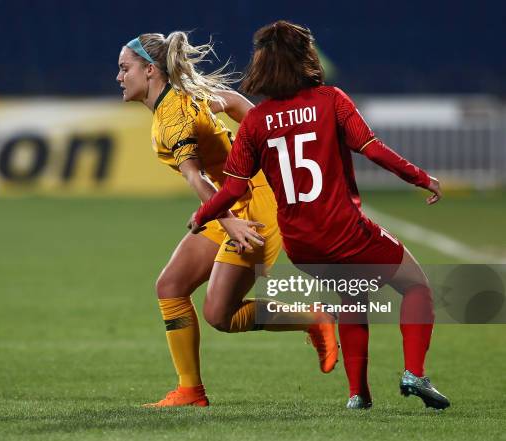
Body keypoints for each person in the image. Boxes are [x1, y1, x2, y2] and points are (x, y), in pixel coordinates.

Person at [190, 21, 450, 410]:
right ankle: (414, 373)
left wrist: (202, 214)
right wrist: (421, 177)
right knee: (417, 287)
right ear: (305, 57)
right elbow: (372, 149)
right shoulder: (331, 100)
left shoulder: (256, 122)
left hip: (302, 246)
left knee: (351, 297)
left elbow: (232, 189)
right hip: (345, 231)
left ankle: (358, 395)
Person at [116, 32, 339, 407]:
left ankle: (315, 318)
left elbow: (195, 177)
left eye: (125, 68)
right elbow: (234, 102)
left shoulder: (172, 118)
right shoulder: (182, 97)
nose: (119, 77)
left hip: (254, 207)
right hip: (229, 202)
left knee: (220, 314)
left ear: (150, 71)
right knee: (171, 286)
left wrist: (231, 220)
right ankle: (190, 391)